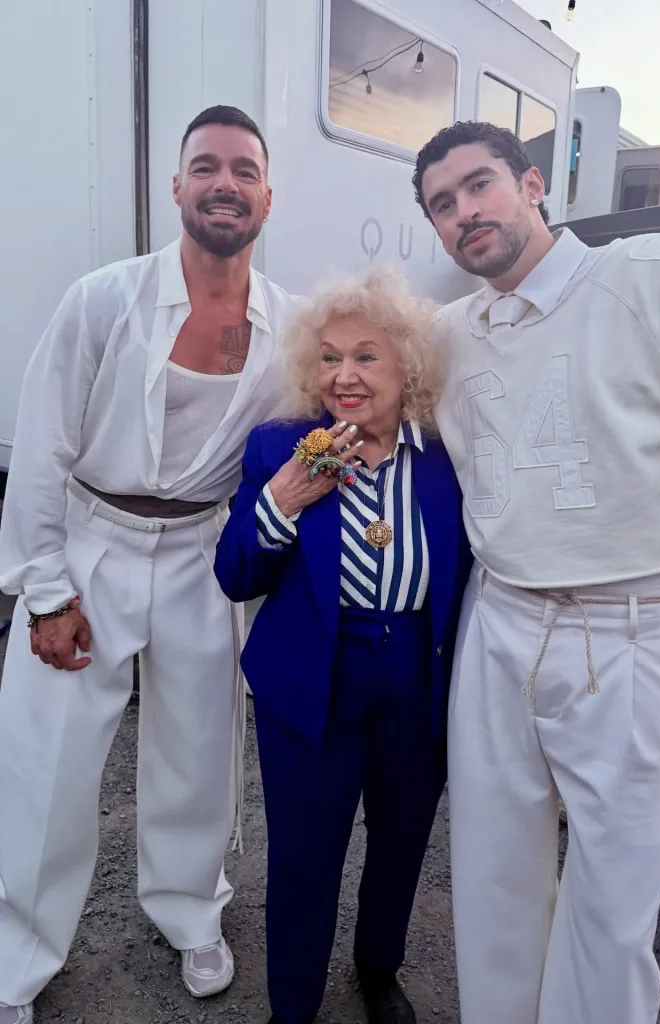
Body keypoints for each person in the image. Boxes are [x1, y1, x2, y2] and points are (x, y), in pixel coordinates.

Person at [410, 120, 660, 1024]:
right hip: (498, 626)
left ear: (534, 184)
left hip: (629, 634)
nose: (464, 213)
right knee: (492, 884)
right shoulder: (445, 335)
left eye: (479, 184)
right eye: (441, 205)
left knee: (611, 912)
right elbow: (345, 375)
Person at [0, 105, 296, 1022]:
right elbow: (41, 446)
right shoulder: (105, 298)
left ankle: (189, 913)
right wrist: (45, 591)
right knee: (47, 764)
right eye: (205, 167)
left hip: (203, 553)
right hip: (92, 540)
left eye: (243, 170)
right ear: (176, 188)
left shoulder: (288, 324)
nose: (224, 184)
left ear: (267, 196)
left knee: (200, 752)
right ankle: (17, 955)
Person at [213, 267, 471, 1024]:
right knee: (303, 852)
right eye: (329, 357)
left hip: (416, 671)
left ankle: (378, 969)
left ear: (408, 367)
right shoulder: (280, 448)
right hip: (312, 674)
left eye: (366, 356)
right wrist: (284, 498)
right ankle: (292, 1004)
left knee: (400, 840)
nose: (345, 376)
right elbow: (235, 575)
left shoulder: (447, 459)